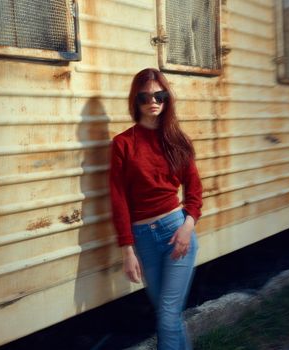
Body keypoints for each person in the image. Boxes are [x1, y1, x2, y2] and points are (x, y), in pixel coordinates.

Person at [109, 68, 203, 350]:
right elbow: (118, 199)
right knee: (168, 317)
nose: (153, 101)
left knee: (166, 315)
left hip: (176, 232)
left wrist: (187, 227)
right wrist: (127, 250)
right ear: (135, 101)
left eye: (160, 95)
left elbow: (195, 191)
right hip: (144, 239)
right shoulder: (122, 144)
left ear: (166, 99)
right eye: (145, 96)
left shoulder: (178, 141)